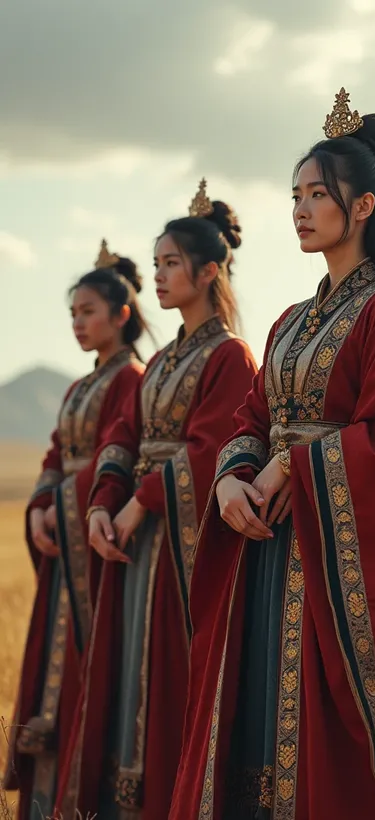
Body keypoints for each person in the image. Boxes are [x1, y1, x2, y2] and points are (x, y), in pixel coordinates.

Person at [170, 91, 375, 820]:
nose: (301, 209)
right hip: (263, 550)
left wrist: (293, 467)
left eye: (318, 194)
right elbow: (252, 415)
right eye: (296, 195)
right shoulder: (288, 322)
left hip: (330, 566)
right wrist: (232, 480)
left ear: (364, 206)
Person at [55, 180, 258, 820]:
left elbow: (207, 448)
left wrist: (139, 503)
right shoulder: (165, 360)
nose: (161, 276)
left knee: (169, 678)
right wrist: (99, 505)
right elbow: (123, 437)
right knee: (124, 677)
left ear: (208, 270)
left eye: (172, 263)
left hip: (180, 549)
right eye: (159, 262)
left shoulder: (230, 356)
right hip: (133, 537)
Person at [4, 241, 147, 820]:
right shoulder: (78, 387)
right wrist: (42, 505)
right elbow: (56, 453)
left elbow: (116, 455)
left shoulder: (130, 379)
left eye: (88, 312)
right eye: (72, 314)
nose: (78, 324)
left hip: (92, 542)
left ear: (122, 315)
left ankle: (82, 803)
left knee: (93, 669)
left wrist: (63, 502)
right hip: (64, 538)